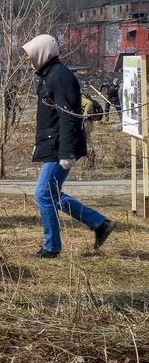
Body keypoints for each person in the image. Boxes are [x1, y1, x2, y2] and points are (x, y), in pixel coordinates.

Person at [21, 35, 116, 258]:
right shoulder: (48, 75)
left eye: (30, 53)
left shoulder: (60, 77)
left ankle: (51, 247)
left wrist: (67, 152)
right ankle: (99, 223)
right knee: (51, 194)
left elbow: (69, 117)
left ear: (43, 52)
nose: (27, 58)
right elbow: (51, 118)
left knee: (43, 194)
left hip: (60, 145)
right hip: (53, 143)